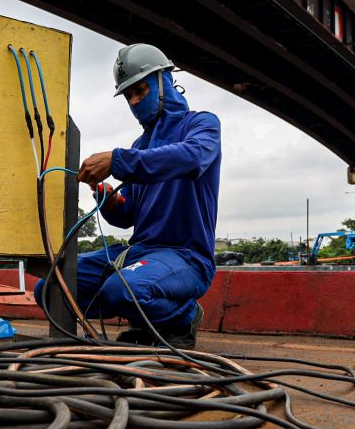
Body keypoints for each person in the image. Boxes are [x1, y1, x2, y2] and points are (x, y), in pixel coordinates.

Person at [35, 43, 221, 349]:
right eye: (128, 96)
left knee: (122, 289)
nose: (135, 101)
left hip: (186, 257)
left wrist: (118, 161)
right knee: (50, 288)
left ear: (164, 81)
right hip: (140, 253)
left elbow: (192, 158)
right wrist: (108, 199)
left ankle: (183, 316)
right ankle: (148, 320)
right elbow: (127, 216)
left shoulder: (201, 125)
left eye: (141, 90)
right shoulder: (139, 146)